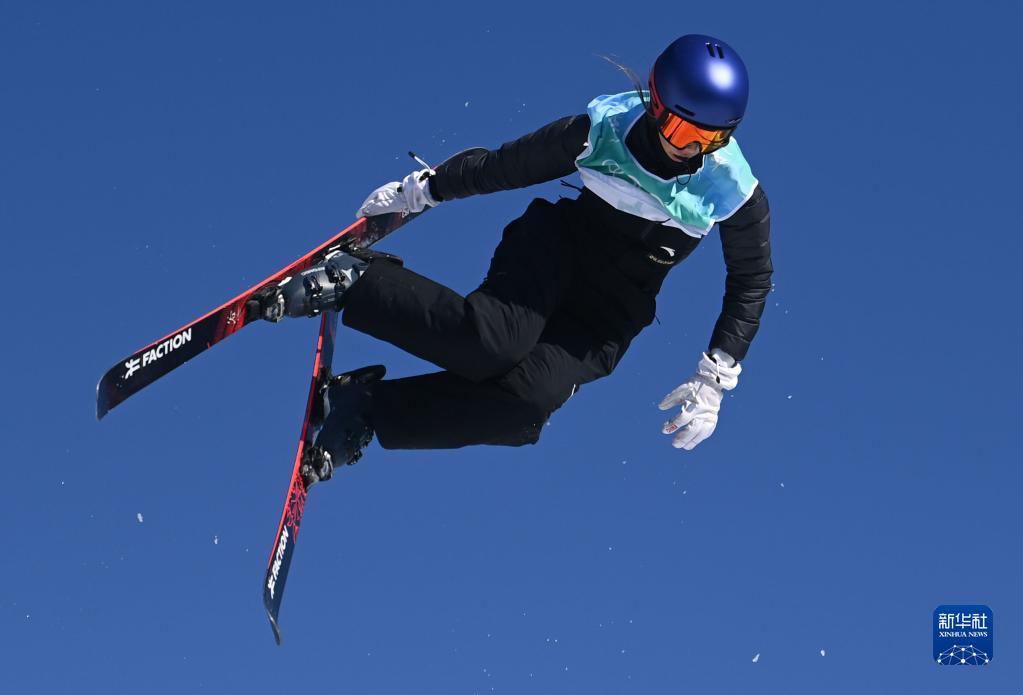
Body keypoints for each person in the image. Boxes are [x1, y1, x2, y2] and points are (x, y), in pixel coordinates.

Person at [258, 34, 773, 485]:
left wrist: (714, 379)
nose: (693, 151)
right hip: (558, 250)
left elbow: (751, 278)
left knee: (526, 409)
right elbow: (507, 166)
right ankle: (357, 281)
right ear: (657, 106)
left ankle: (365, 408)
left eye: (712, 138)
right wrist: (425, 190)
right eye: (684, 133)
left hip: (608, 316)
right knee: (492, 343)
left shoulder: (731, 188)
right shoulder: (603, 132)